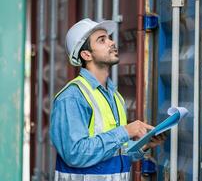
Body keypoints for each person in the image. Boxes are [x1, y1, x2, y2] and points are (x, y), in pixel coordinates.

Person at [50, 18, 165, 181]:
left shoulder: (115, 96)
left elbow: (113, 152)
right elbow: (75, 153)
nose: (111, 42)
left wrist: (143, 145)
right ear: (86, 54)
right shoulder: (72, 97)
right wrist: (126, 131)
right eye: (102, 40)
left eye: (109, 38)